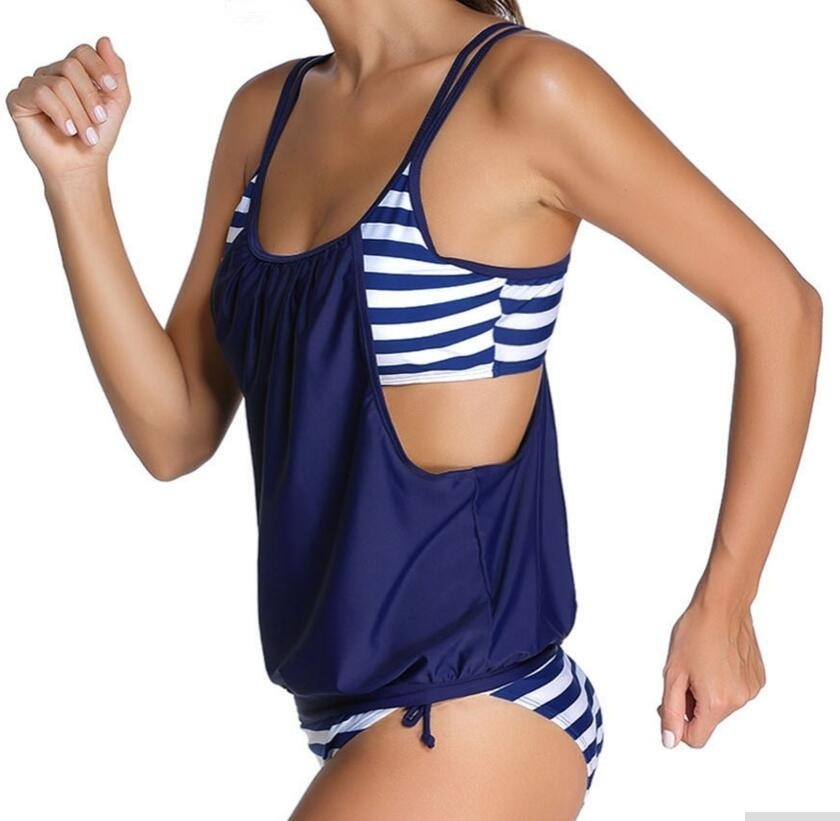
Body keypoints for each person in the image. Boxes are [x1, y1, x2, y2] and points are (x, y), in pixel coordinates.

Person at [5, 1, 822, 818]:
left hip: (477, 702)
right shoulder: (263, 116)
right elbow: (176, 430)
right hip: (348, 719)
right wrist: (76, 184)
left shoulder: (524, 88)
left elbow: (781, 307)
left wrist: (726, 603)